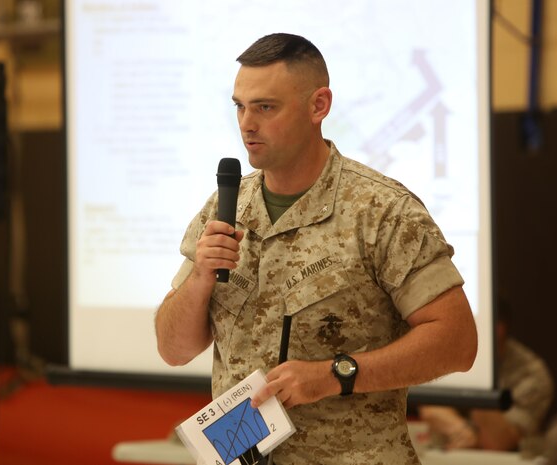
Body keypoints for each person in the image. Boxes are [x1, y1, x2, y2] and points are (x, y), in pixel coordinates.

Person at [154, 33, 478, 465]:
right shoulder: (224, 208)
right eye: (240, 106)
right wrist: (199, 278)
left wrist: (336, 375)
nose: (247, 123)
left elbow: (457, 341)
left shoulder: (382, 211)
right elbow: (173, 349)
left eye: (265, 107)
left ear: (318, 106)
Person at [419, 302, 554, 452]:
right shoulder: (452, 351)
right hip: (446, 453)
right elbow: (430, 407)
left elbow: (497, 442)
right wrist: (461, 430)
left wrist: (481, 373)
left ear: (500, 328)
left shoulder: (531, 373)